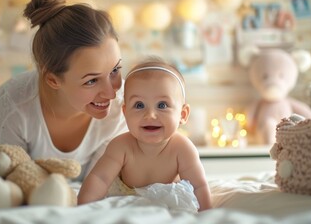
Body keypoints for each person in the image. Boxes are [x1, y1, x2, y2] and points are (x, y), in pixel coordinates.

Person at [0, 0, 127, 181]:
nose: (111, 93)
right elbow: (1, 181)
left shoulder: (124, 103)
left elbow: (100, 185)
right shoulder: (14, 105)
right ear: (52, 79)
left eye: (115, 70)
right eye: (91, 80)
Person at [78, 57, 212, 212]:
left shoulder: (182, 148)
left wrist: (207, 215)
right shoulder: (121, 146)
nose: (150, 115)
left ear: (182, 114)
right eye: (139, 105)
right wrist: (83, 208)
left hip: (167, 199)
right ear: (125, 112)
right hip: (125, 198)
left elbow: (199, 186)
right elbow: (100, 178)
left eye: (162, 105)